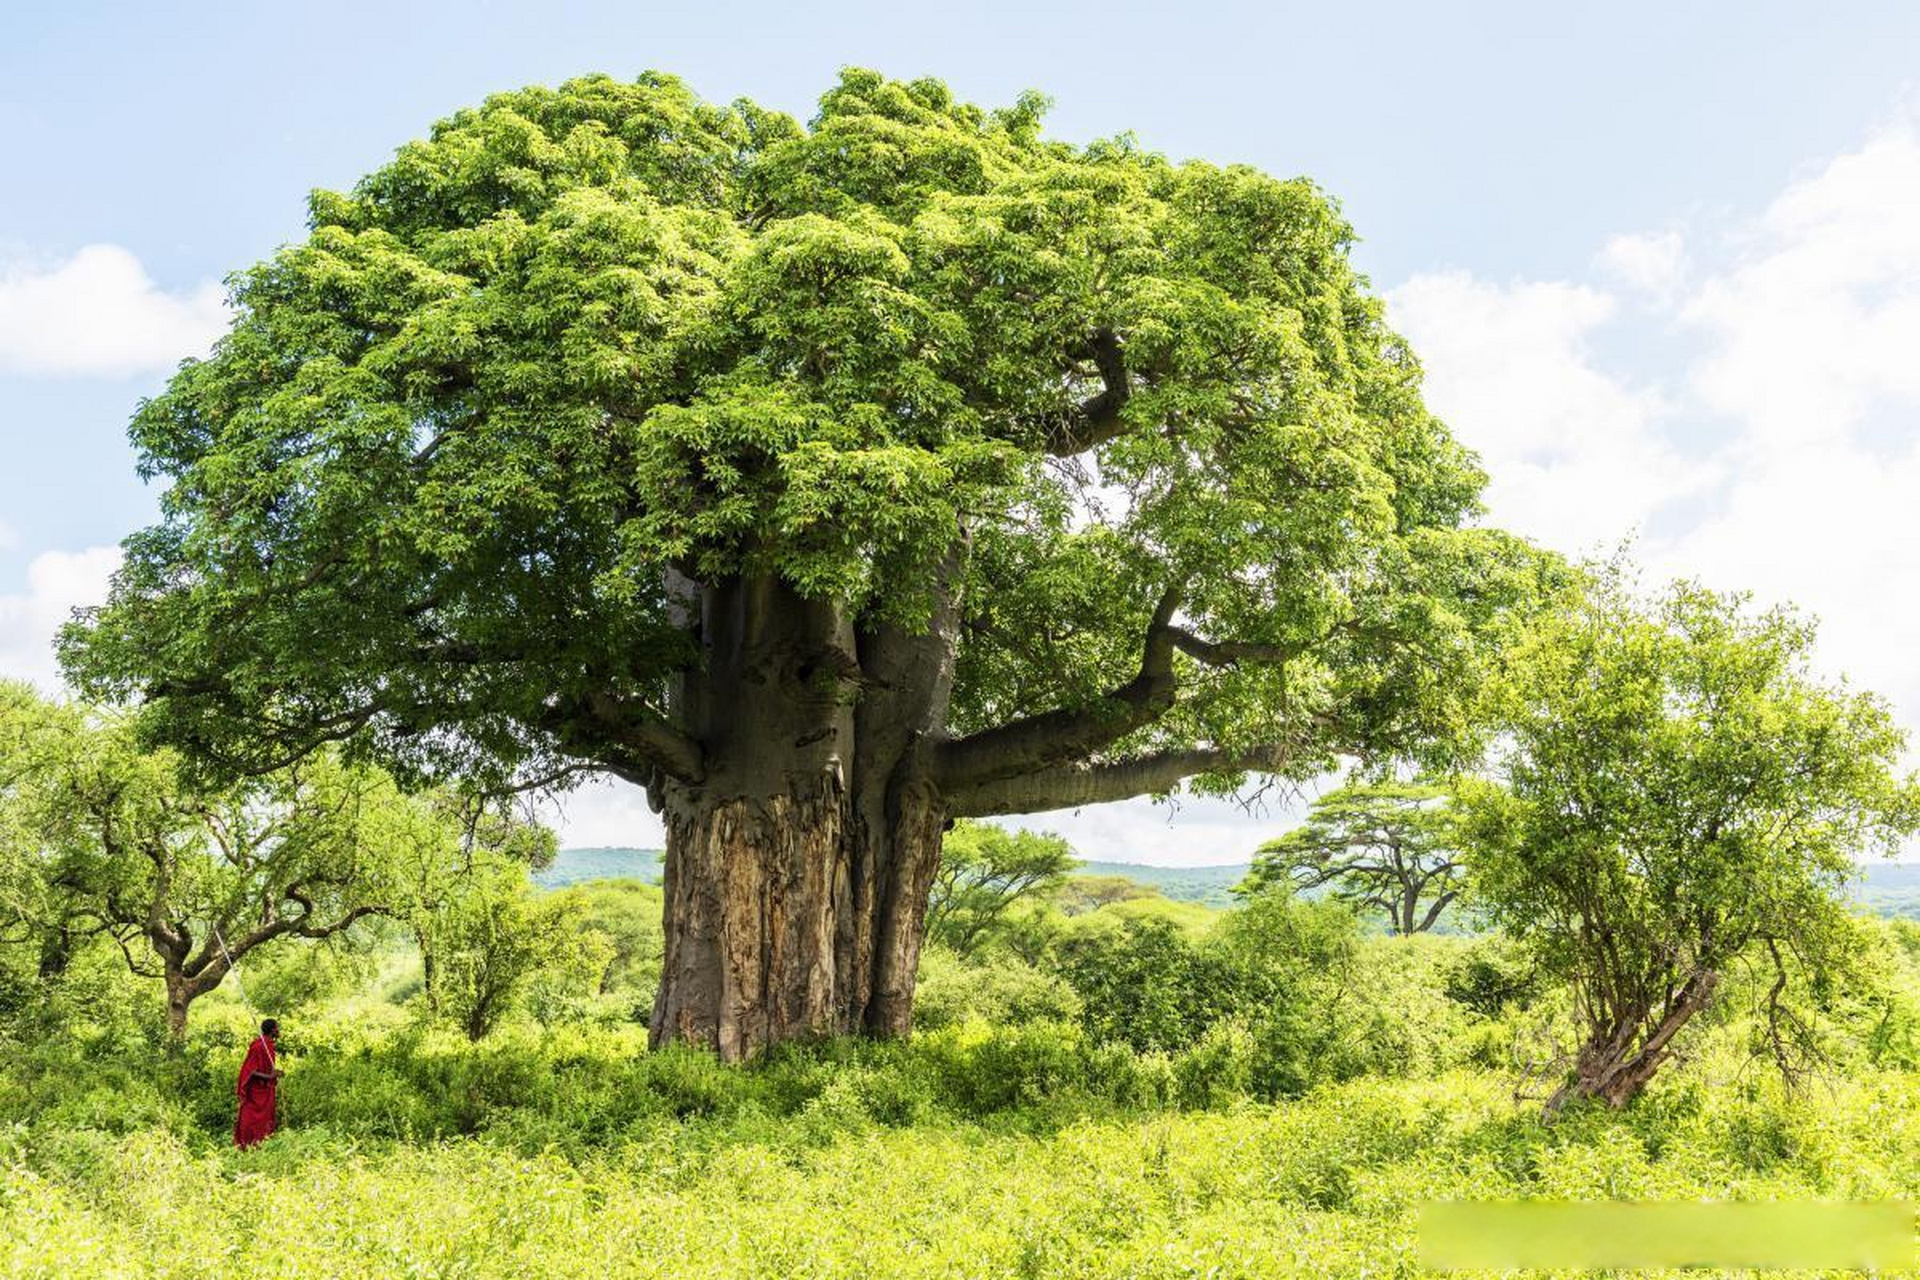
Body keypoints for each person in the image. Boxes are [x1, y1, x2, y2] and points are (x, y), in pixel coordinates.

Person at [233, 1017, 282, 1149]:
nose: (279, 1030)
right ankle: (246, 1143)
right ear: (272, 1030)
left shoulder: (269, 1045)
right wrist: (269, 1076)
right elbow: (250, 1071)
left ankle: (261, 1143)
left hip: (266, 1089)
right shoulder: (258, 1046)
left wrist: (274, 1073)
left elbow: (265, 1067)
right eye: (277, 1028)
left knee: (265, 1117)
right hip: (256, 1090)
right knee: (251, 1117)